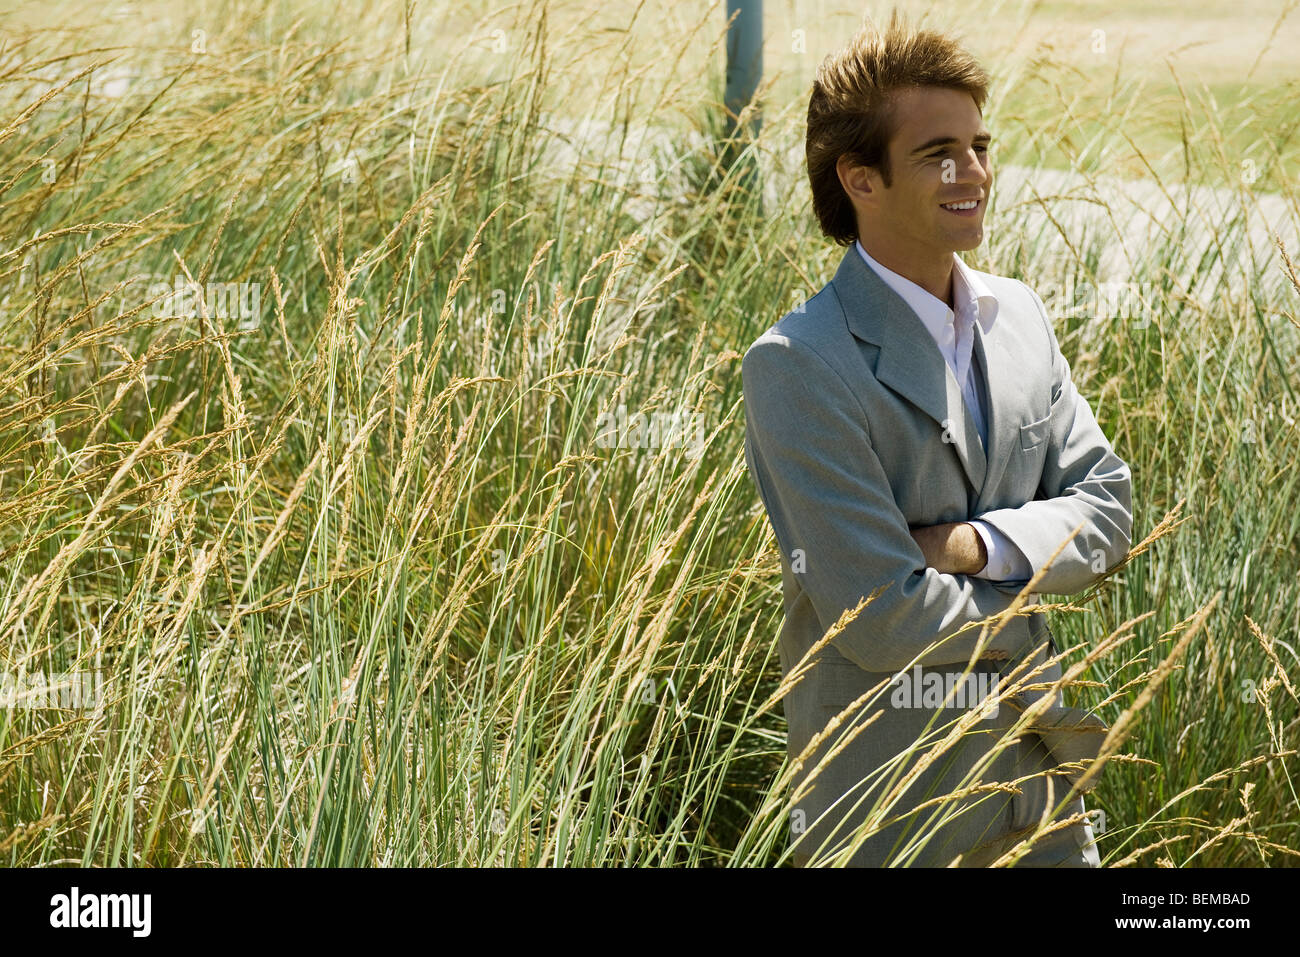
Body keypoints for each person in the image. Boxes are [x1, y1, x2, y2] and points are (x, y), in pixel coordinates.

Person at [740, 13, 1133, 867]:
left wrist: (973, 544)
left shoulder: (1020, 314)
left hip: (1043, 792)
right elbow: (877, 617)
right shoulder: (798, 364)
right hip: (890, 807)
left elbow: (1109, 512)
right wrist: (1032, 610)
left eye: (980, 146)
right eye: (938, 154)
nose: (976, 173)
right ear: (860, 180)